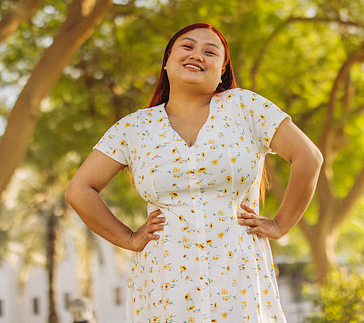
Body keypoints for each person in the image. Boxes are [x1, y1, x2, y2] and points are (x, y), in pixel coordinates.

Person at [65, 23, 323, 322]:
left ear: (222, 70)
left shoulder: (245, 107)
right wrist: (129, 239)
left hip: (237, 273)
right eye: (187, 47)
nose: (198, 55)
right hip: (164, 280)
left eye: (210, 52)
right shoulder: (134, 128)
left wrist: (280, 224)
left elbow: (308, 157)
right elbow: (79, 190)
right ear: (167, 60)